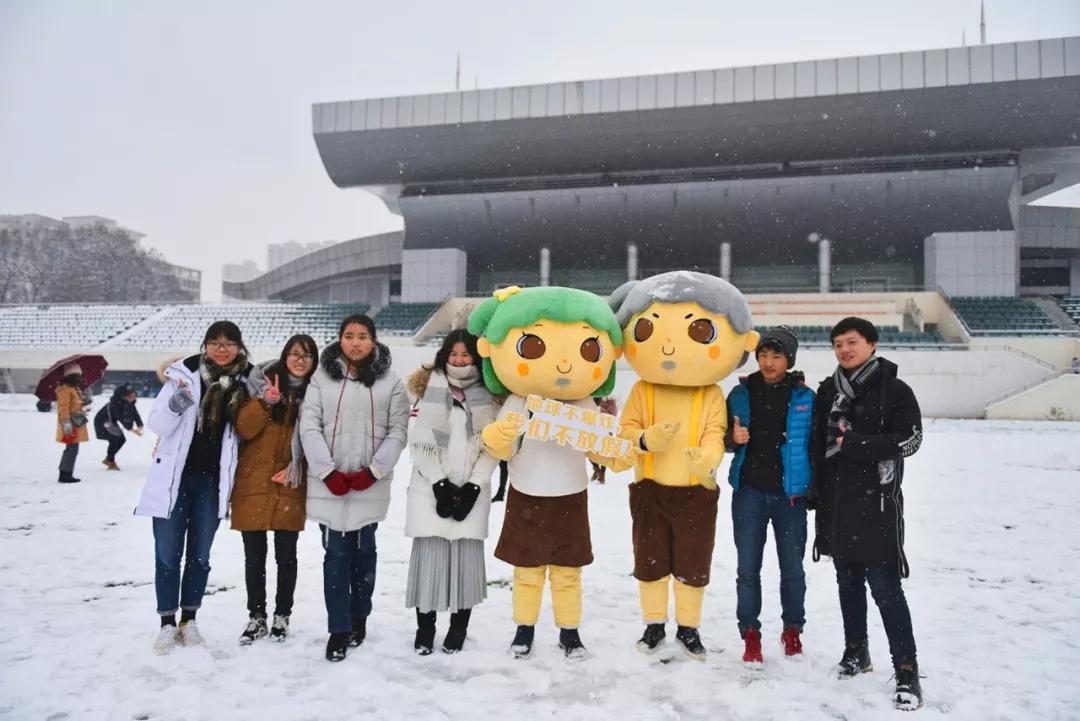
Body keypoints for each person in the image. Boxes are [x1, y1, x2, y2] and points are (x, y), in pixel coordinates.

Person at [470, 285, 632, 660]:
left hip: (570, 495)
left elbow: (598, 447)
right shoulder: (517, 400)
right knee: (526, 571)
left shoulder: (584, 402)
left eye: (587, 349)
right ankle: (523, 629)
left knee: (567, 571)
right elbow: (503, 448)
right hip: (526, 493)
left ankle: (569, 631)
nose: (563, 365)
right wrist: (498, 436)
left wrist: (621, 454)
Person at [608, 270, 759, 660]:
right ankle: (654, 623)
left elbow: (715, 430)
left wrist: (708, 456)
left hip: (696, 492)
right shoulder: (643, 389)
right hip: (650, 488)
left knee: (693, 563)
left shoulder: (709, 393)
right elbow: (625, 432)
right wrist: (645, 440)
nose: (671, 347)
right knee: (650, 560)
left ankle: (689, 627)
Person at [811, 317, 924, 711]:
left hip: (877, 505)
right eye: (838, 343)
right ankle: (856, 652)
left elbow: (910, 441)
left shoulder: (894, 389)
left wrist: (855, 443)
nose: (844, 349)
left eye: (852, 342)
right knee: (847, 584)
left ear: (872, 344)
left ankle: (907, 670)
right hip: (838, 503)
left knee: (887, 590)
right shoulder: (829, 391)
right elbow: (815, 442)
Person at [135, 321, 253, 654]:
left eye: (229, 343)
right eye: (215, 342)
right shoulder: (182, 376)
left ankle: (190, 619)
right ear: (205, 346)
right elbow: (156, 424)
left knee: (200, 557)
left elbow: (248, 431)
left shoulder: (246, 382)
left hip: (212, 482)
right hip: (175, 478)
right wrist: (177, 404)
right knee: (168, 556)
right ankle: (166, 624)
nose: (222, 348)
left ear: (239, 347)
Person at [301, 314, 409, 662]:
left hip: (368, 484)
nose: (356, 342)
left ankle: (359, 615)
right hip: (329, 484)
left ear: (374, 341)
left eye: (363, 336)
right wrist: (327, 471)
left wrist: (374, 471)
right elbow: (309, 427)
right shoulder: (321, 379)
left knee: (364, 554)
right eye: (349, 336)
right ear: (340, 340)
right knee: (335, 557)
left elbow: (398, 430)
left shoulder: (391, 383)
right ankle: (338, 628)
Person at [404, 329, 498, 655]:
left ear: (476, 357)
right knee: (430, 562)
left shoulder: (489, 395)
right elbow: (418, 443)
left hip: (472, 488)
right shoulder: (427, 389)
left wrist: (474, 485)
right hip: (431, 488)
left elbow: (494, 447)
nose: (459, 360)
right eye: (454, 354)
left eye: (466, 354)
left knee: (465, 565)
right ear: (445, 355)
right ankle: (425, 628)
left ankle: (459, 627)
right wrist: (440, 484)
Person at [725, 326, 814, 665]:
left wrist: (812, 491)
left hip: (789, 497)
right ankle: (750, 632)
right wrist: (733, 438)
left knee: (792, 569)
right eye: (763, 354)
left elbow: (814, 446)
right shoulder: (740, 394)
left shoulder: (805, 397)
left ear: (788, 360)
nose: (768, 362)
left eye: (776, 356)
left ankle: (793, 629)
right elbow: (722, 439)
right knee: (748, 568)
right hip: (748, 492)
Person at [232, 334, 318, 646]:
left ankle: (283, 615)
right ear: (285, 356)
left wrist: (297, 467)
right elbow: (243, 429)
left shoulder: (316, 395)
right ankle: (257, 617)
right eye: (295, 354)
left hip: (290, 483)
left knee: (287, 556)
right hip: (254, 482)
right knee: (254, 556)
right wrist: (265, 402)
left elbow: (318, 441)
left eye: (307, 355)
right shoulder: (257, 386)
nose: (300, 360)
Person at [94, 384, 144, 470]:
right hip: (102, 422)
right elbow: (121, 418)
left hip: (111, 422)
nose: (134, 397)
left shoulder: (129, 402)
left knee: (121, 439)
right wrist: (132, 429)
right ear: (123, 396)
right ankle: (111, 462)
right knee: (115, 439)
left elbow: (134, 413)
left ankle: (108, 458)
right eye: (131, 395)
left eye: (134, 394)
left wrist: (139, 424)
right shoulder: (115, 404)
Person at [55, 363, 91, 484]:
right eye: (77, 375)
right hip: (70, 424)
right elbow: (63, 409)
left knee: (72, 449)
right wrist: (67, 426)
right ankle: (65, 475)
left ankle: (66, 473)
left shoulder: (74, 389)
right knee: (71, 449)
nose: (79, 378)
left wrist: (83, 406)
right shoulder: (65, 390)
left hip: (76, 423)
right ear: (70, 376)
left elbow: (76, 404)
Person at [589, 397, 618, 483]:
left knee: (605, 452)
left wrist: (603, 409)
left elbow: (613, 415)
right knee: (590, 450)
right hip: (596, 430)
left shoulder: (611, 404)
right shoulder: (596, 402)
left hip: (607, 430)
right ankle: (596, 469)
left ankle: (602, 474)